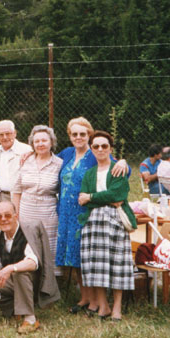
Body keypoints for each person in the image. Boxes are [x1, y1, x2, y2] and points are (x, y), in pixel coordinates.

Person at [56, 117, 129, 314]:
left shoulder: (94, 153)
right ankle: (85, 297)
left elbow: (118, 168)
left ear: (89, 135)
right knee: (74, 256)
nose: (78, 137)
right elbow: (46, 157)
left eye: (83, 134)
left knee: (86, 256)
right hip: (66, 213)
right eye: (74, 134)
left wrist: (124, 162)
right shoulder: (67, 153)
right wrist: (28, 154)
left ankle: (96, 301)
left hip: (85, 212)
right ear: (70, 136)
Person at [0, 201, 60, 333]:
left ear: (16, 216)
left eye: (7, 215)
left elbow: (33, 262)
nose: (3, 219)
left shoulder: (28, 231)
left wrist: (10, 268)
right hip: (10, 282)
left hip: (32, 281)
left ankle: (30, 319)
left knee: (19, 273)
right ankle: (15, 309)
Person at [78, 131, 135, 321]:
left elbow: (118, 195)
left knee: (118, 263)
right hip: (93, 222)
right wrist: (101, 198)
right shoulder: (89, 173)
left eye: (104, 146)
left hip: (114, 220)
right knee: (96, 264)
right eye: (96, 146)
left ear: (110, 148)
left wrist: (92, 197)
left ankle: (117, 307)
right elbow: (82, 198)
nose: (100, 149)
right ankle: (103, 305)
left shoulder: (118, 169)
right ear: (92, 149)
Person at [12, 124, 62, 264]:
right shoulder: (24, 161)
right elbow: (16, 190)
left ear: (51, 142)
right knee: (27, 247)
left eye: (44, 140)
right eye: (37, 141)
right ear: (32, 144)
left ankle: (50, 275)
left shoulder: (59, 164)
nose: (40, 144)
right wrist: (16, 214)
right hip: (26, 212)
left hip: (48, 214)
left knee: (48, 246)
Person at [0, 119, 31, 202]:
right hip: (2, 197)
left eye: (8, 133)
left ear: (14, 133)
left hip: (23, 196)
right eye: (1, 135)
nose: (5, 137)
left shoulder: (27, 150)